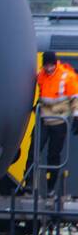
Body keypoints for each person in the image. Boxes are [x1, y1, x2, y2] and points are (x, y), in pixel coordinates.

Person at [36, 51, 78, 194]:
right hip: (43, 119)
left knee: (53, 155)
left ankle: (50, 187)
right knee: (34, 151)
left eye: (50, 65)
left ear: (55, 63)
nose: (48, 68)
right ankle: (29, 184)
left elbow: (75, 99)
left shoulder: (67, 76)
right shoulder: (41, 75)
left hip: (59, 122)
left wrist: (76, 116)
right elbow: (41, 92)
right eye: (46, 65)